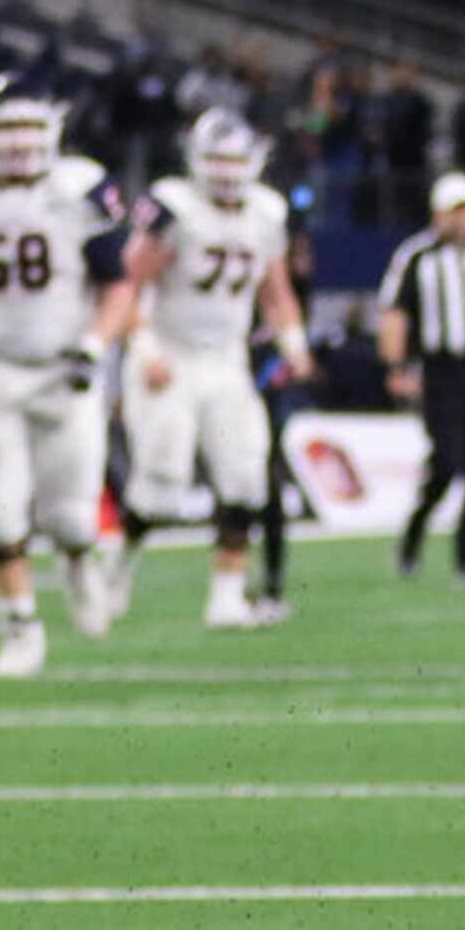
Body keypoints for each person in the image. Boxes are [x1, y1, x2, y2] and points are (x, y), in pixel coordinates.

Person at [0, 74, 135, 678]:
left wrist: (95, 343)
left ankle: (80, 561)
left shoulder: (82, 187)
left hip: (65, 370)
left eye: (29, 126)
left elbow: (118, 284)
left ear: (54, 129)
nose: (18, 141)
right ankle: (19, 628)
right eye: (7, 127)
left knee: (71, 519)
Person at [111, 107, 313, 629]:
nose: (225, 173)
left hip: (227, 359)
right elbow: (126, 286)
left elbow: (276, 291)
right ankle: (116, 567)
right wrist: (144, 349)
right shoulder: (172, 207)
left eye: (234, 161)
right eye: (216, 161)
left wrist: (293, 341)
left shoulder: (267, 212)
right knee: (161, 486)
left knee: (245, 477)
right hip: (170, 354)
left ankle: (226, 599)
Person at [380, 171, 465, 582]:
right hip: (441, 369)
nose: (463, 219)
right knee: (447, 462)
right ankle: (413, 537)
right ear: (437, 213)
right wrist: (396, 367)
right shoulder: (416, 257)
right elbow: (395, 313)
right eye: (455, 211)